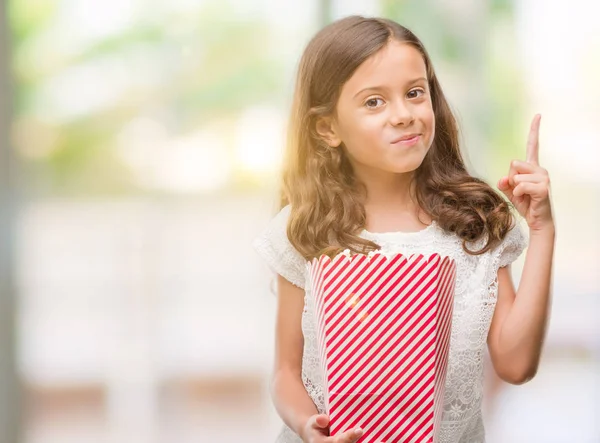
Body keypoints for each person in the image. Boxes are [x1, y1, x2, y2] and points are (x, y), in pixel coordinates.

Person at [252, 15, 555, 443]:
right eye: (374, 102)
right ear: (328, 127)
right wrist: (307, 427)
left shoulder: (474, 223)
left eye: (415, 93)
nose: (403, 115)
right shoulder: (305, 230)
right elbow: (286, 372)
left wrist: (542, 229)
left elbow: (516, 364)